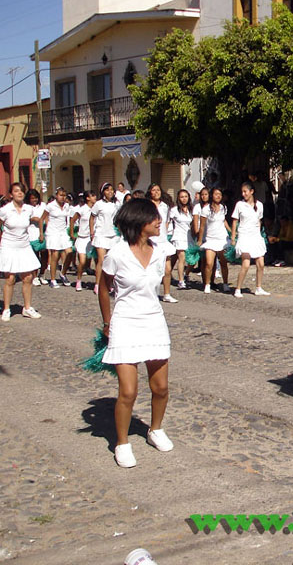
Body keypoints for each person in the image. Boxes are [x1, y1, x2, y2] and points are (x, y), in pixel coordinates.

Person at [98, 198, 173, 468]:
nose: (159, 221)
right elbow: (103, 288)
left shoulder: (161, 250)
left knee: (161, 387)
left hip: (154, 321)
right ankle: (122, 443)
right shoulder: (117, 253)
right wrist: (107, 322)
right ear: (139, 222)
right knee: (128, 392)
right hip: (125, 323)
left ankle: (155, 429)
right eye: (153, 218)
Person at [0, 182, 42, 321]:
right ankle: (6, 309)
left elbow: (34, 221)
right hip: (9, 245)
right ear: (11, 194)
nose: (19, 193)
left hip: (24, 245)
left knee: (28, 277)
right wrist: (2, 238)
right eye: (16, 191)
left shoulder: (28, 209)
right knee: (10, 278)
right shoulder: (5, 210)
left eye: (21, 191)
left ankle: (27, 308)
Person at [230, 181, 269, 298]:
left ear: (251, 191)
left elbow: (259, 220)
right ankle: (238, 289)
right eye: (242, 192)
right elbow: (235, 221)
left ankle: (258, 287)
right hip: (244, 236)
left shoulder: (259, 205)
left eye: (245, 191)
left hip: (255, 236)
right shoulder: (240, 205)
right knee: (246, 264)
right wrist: (233, 237)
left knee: (261, 264)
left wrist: (260, 233)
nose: (243, 194)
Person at [146, 183, 178, 303]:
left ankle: (167, 294)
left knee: (167, 269)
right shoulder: (147, 205)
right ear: (150, 192)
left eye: (158, 190)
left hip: (163, 240)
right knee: (152, 269)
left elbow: (166, 222)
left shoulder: (165, 206)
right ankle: (151, 293)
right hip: (151, 241)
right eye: (154, 190)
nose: (156, 192)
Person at [198, 187, 231, 293]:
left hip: (222, 238)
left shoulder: (223, 207)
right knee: (209, 263)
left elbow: (224, 221)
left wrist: (231, 231)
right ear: (212, 195)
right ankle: (207, 284)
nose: (218, 196)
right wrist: (200, 240)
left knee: (223, 263)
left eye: (220, 194)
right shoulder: (206, 209)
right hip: (211, 239)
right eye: (216, 194)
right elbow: (202, 226)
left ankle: (225, 283)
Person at [89, 183, 120, 296]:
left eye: (111, 190)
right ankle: (98, 284)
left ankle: (110, 283)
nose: (110, 192)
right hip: (101, 234)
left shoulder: (116, 204)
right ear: (103, 192)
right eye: (107, 190)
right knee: (101, 260)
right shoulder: (98, 204)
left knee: (112, 260)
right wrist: (91, 231)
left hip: (113, 235)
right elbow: (92, 217)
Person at [40, 186, 73, 288]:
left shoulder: (67, 206)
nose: (62, 197)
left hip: (63, 232)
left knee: (70, 252)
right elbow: (41, 219)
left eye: (64, 195)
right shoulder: (50, 206)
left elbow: (68, 219)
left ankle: (63, 273)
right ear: (56, 195)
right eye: (60, 195)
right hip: (52, 233)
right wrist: (41, 233)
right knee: (55, 254)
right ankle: (53, 279)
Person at [70, 191, 96, 291]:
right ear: (87, 198)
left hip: (92, 238)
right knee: (82, 261)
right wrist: (72, 233)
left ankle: (99, 283)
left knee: (98, 261)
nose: (95, 197)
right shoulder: (82, 209)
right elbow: (73, 220)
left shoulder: (96, 208)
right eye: (92, 196)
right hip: (82, 238)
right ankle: (79, 280)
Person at [169, 189, 194, 290]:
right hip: (179, 236)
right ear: (178, 198)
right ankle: (181, 281)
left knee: (193, 260)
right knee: (181, 258)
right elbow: (168, 222)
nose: (184, 199)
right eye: (182, 197)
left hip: (189, 237)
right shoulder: (174, 210)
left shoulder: (192, 210)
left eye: (186, 196)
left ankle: (186, 274)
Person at [26, 189, 48, 286]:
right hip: (31, 233)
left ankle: (42, 274)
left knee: (44, 255)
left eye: (35, 198)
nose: (34, 200)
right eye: (32, 198)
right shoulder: (26, 207)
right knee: (34, 256)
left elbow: (46, 216)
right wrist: (31, 219)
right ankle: (34, 276)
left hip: (43, 232)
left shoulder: (43, 205)